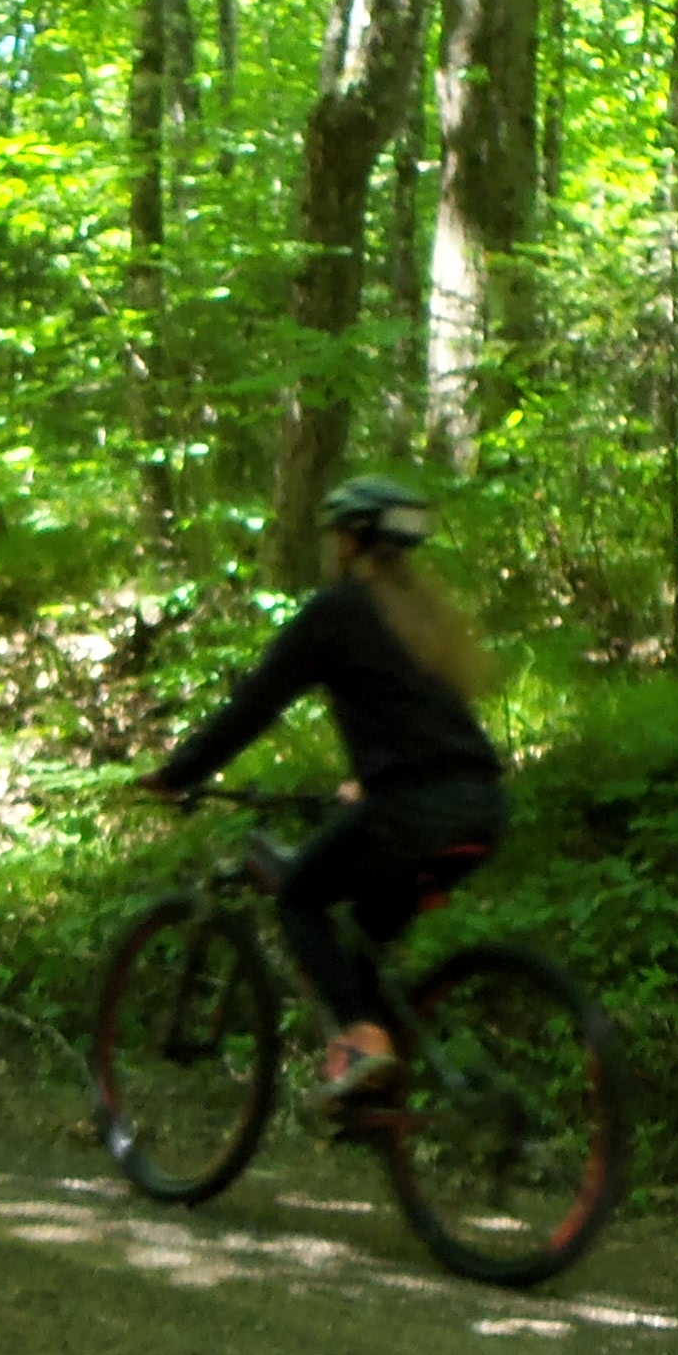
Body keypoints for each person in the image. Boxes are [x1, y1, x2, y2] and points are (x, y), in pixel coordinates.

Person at [142, 474, 505, 1106]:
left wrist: (179, 775)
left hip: (411, 811)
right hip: (482, 807)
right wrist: (373, 781)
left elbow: (257, 704)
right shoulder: (428, 621)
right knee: (365, 932)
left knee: (300, 897)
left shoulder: (338, 611)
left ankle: (361, 1046)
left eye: (338, 534)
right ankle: (376, 1090)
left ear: (351, 541)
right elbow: (426, 724)